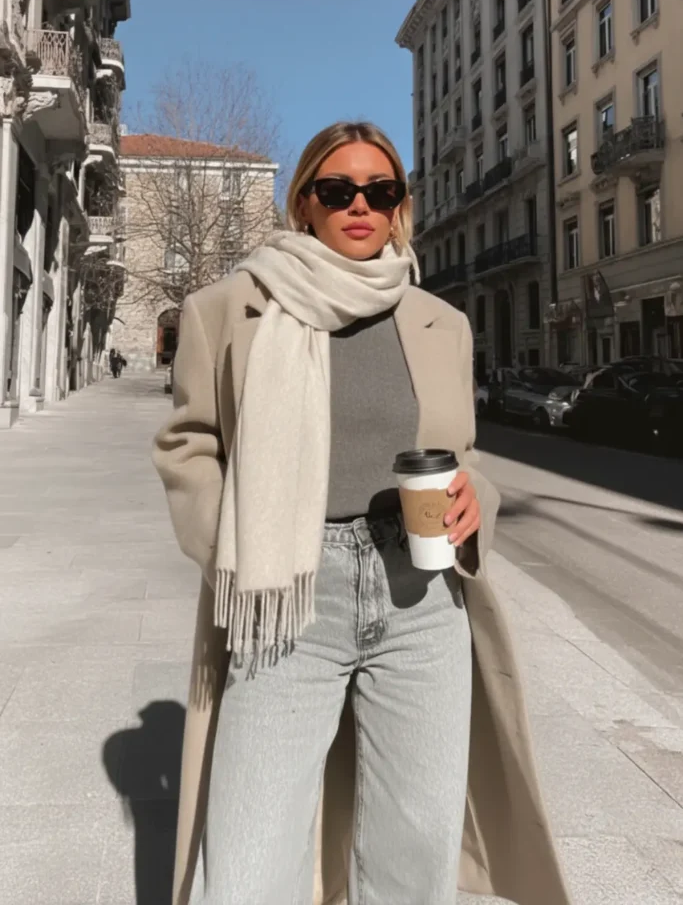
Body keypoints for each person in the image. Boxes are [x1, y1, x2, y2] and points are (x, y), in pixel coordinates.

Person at [153, 122, 571, 905]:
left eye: (379, 192)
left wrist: (479, 498)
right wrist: (235, 550)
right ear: (303, 202)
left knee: (414, 846)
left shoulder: (436, 322)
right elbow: (189, 443)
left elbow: (462, 454)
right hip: (285, 595)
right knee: (249, 849)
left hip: (419, 597)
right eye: (336, 190)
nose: (359, 206)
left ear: (399, 208)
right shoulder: (228, 307)